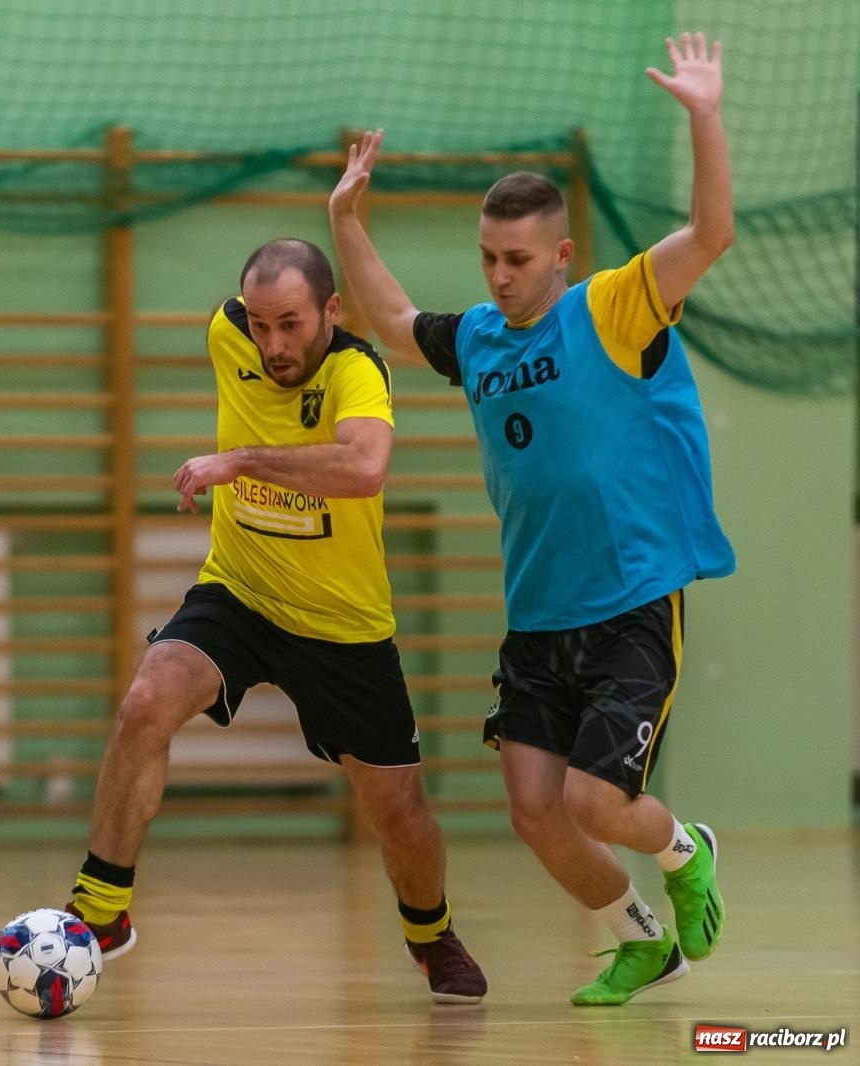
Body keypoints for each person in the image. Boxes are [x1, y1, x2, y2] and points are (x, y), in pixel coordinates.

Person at [327, 34, 734, 1005]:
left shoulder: (613, 308)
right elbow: (393, 320)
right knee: (534, 812)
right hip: (539, 616)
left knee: (596, 801)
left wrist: (704, 116)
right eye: (487, 258)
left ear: (560, 255)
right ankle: (641, 941)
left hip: (631, 601)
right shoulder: (477, 338)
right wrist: (346, 218)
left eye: (516, 260)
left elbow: (710, 233)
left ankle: (686, 851)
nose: (499, 276)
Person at [63, 237, 488, 1004]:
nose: (272, 345)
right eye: (260, 325)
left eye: (290, 324)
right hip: (241, 592)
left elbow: (364, 467)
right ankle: (101, 908)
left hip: (342, 624)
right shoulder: (226, 333)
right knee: (145, 702)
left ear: (331, 310)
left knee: (401, 814)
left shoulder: (358, 371)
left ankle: (431, 933)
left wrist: (240, 462)